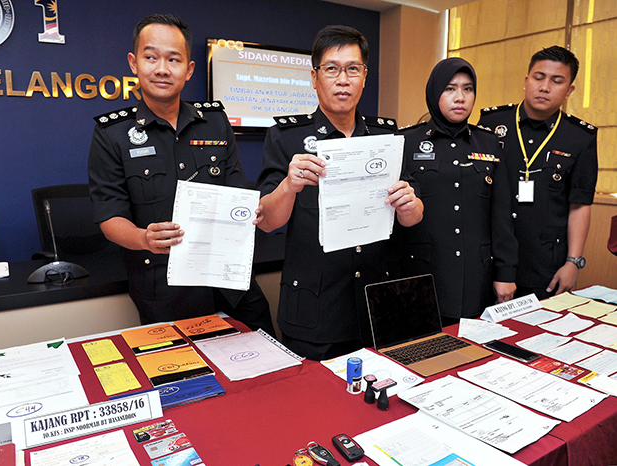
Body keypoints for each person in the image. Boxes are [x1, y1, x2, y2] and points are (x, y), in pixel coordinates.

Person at [88, 14, 274, 334]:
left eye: (173, 59)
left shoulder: (215, 122)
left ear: (188, 70)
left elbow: (235, 191)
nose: (162, 68)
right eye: (151, 57)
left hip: (230, 283)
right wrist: (143, 238)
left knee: (268, 370)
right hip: (164, 290)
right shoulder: (112, 134)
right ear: (134, 63)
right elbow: (110, 217)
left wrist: (251, 209)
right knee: (188, 380)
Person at [256, 25, 423, 360]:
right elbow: (267, 221)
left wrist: (410, 205)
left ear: (364, 76)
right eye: (332, 69)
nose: (342, 79)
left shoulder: (384, 139)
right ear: (315, 77)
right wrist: (289, 185)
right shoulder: (285, 137)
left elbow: (413, 215)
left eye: (352, 69)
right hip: (315, 312)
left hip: (378, 307)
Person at [400, 58, 517, 323]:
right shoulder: (406, 142)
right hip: (421, 272)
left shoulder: (490, 144)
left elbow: (501, 215)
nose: (460, 98)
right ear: (434, 92)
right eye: (450, 89)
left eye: (468, 89)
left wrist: (505, 273)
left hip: (477, 275)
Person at [479, 46, 598, 299]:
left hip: (545, 265)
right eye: (538, 77)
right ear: (526, 81)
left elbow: (580, 204)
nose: (544, 87)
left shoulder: (579, 137)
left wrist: (573, 262)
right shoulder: (491, 124)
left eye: (557, 81)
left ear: (569, 91)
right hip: (488, 261)